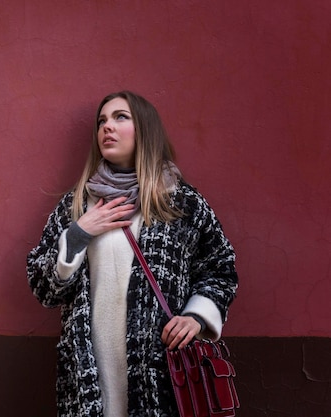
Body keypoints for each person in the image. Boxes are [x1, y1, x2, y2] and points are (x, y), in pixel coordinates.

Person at [26, 90, 238, 417]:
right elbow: (42, 287)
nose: (107, 127)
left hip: (160, 374)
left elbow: (221, 269)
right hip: (88, 377)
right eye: (102, 121)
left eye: (120, 117)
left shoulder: (181, 203)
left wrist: (197, 316)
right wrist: (79, 233)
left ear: (145, 130)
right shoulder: (77, 205)